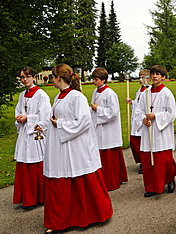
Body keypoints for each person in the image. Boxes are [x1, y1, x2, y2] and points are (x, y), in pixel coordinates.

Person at [39, 63, 112, 233]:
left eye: (52, 76)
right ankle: (60, 219)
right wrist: (44, 124)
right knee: (61, 179)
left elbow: (84, 122)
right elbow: (54, 116)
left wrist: (60, 124)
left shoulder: (76, 97)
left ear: (59, 77)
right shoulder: (59, 97)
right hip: (60, 146)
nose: (51, 79)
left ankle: (86, 215)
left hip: (75, 147)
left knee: (79, 179)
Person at [134, 65, 176, 198]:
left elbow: (171, 112)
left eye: (158, 74)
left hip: (161, 131)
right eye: (153, 74)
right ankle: (151, 186)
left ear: (163, 77)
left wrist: (157, 116)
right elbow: (138, 110)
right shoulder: (145, 93)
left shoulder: (166, 93)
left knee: (163, 159)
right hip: (148, 131)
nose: (154, 76)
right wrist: (143, 119)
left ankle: (169, 179)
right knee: (148, 160)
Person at [13, 66, 51, 209]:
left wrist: (28, 118)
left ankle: (40, 197)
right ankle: (27, 197)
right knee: (24, 163)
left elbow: (46, 115)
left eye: (27, 76)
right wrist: (19, 117)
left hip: (36, 134)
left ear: (33, 77)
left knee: (36, 164)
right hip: (24, 134)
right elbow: (18, 110)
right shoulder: (22, 95)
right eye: (22, 77)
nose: (25, 80)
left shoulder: (41, 95)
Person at [90, 67, 128, 191]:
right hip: (99, 128)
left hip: (109, 130)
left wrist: (98, 109)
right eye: (93, 79)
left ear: (103, 80)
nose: (94, 82)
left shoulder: (110, 93)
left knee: (109, 157)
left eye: (96, 79)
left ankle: (112, 181)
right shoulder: (96, 92)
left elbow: (114, 112)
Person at [126, 69, 150, 174]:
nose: (141, 80)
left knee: (142, 142)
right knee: (134, 141)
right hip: (136, 119)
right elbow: (138, 103)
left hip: (144, 119)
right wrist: (132, 102)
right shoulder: (140, 90)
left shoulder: (148, 90)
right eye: (140, 77)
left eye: (143, 78)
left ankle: (145, 163)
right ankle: (141, 161)